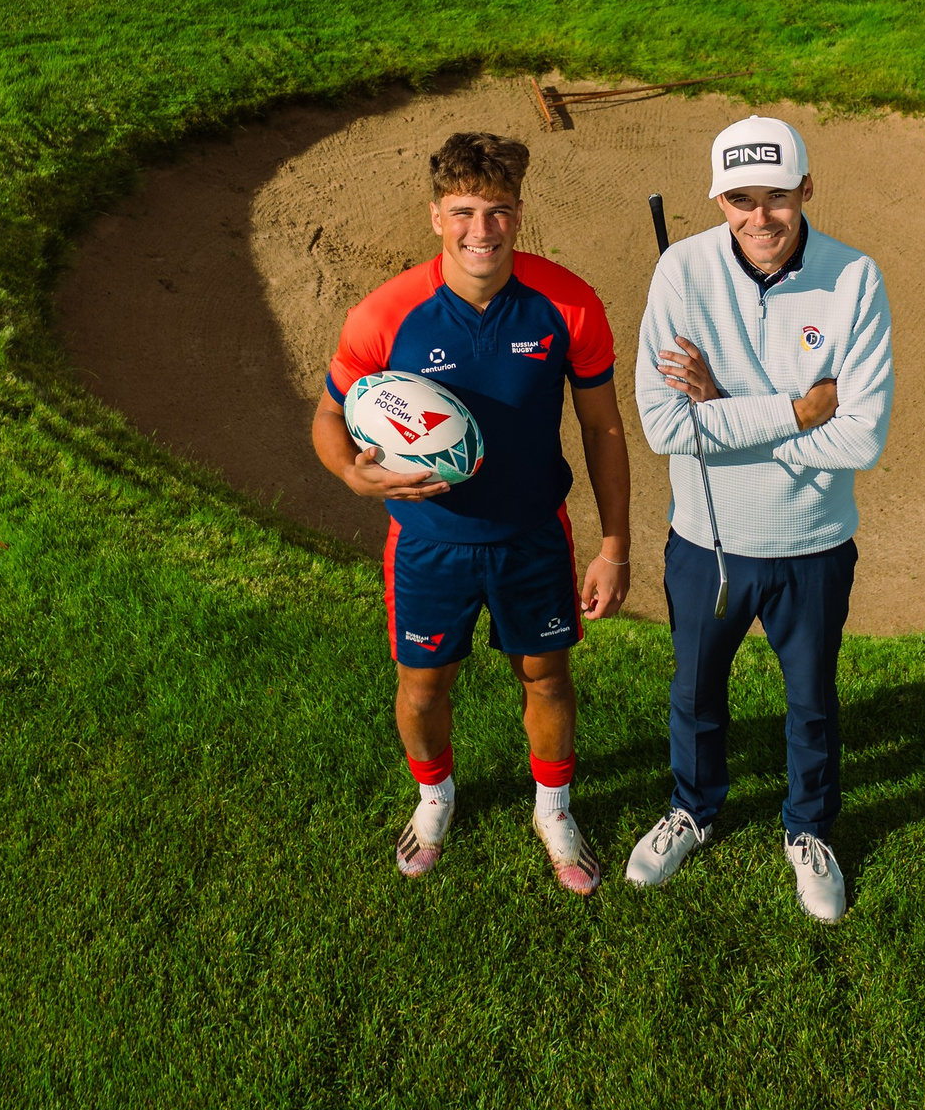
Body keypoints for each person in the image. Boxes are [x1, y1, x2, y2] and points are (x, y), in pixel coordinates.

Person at [312, 129, 630, 895]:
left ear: (518, 213)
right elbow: (329, 416)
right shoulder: (386, 314)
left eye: (498, 210)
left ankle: (553, 809)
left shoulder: (568, 305)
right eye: (463, 211)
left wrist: (615, 545)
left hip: (533, 536)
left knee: (546, 679)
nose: (481, 230)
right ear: (435, 216)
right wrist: (351, 474)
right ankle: (434, 800)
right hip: (429, 544)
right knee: (424, 686)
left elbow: (603, 428)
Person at [627, 114, 893, 923]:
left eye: (777, 196)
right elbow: (664, 426)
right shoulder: (681, 271)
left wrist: (723, 407)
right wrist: (797, 411)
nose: (760, 217)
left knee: (811, 702)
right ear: (718, 199)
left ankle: (808, 829)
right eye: (740, 199)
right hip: (706, 543)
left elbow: (862, 437)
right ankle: (693, 808)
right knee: (695, 693)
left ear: (806, 188)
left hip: (813, 543)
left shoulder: (854, 279)